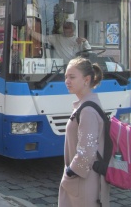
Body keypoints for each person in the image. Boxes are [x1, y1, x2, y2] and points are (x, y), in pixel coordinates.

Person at [58, 57, 108, 207]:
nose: (67, 81)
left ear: (86, 79)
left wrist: (70, 173)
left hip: (83, 183)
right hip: (81, 181)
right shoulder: (85, 105)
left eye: (72, 77)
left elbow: (87, 150)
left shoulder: (87, 110)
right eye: (66, 76)